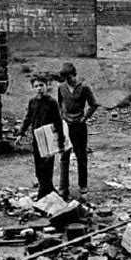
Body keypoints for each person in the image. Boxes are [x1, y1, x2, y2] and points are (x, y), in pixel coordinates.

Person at [16, 74, 65, 199]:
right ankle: (50, 190)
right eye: (36, 86)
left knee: (47, 166)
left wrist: (60, 141)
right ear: (33, 87)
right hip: (37, 137)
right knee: (39, 168)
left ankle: (43, 193)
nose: (39, 88)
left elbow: (58, 122)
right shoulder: (32, 102)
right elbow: (28, 118)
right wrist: (21, 134)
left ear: (46, 86)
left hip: (49, 137)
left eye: (41, 85)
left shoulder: (52, 102)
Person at [58, 62, 98, 199]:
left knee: (81, 157)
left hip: (79, 127)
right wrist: (62, 118)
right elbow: (60, 104)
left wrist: (85, 118)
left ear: (75, 74)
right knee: (64, 157)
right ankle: (63, 188)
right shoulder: (61, 88)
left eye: (70, 77)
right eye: (66, 78)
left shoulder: (84, 87)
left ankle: (83, 188)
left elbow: (94, 104)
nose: (69, 81)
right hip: (65, 127)